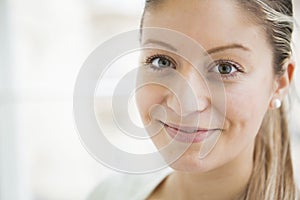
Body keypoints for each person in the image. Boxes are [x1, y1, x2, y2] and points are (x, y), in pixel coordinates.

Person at [89, 0, 299, 199]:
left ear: (279, 83)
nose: (185, 104)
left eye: (224, 68)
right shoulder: (109, 195)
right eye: (162, 62)